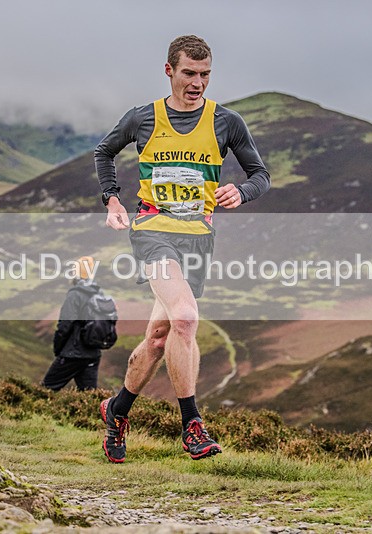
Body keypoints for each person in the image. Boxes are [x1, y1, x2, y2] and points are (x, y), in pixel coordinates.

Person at [94, 35, 270, 462]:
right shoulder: (143, 118)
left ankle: (117, 410)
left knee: (159, 339)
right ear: (169, 70)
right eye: (189, 73)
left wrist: (241, 191)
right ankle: (191, 425)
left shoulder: (226, 122)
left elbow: (260, 174)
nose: (197, 83)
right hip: (153, 230)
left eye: (205, 75)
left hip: (197, 237)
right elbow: (104, 152)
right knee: (187, 318)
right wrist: (113, 199)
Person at [41, 256, 115, 391]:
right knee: (89, 395)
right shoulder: (100, 294)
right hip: (93, 354)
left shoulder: (75, 295)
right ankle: (90, 412)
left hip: (72, 353)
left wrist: (58, 350)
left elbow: (64, 326)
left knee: (45, 390)